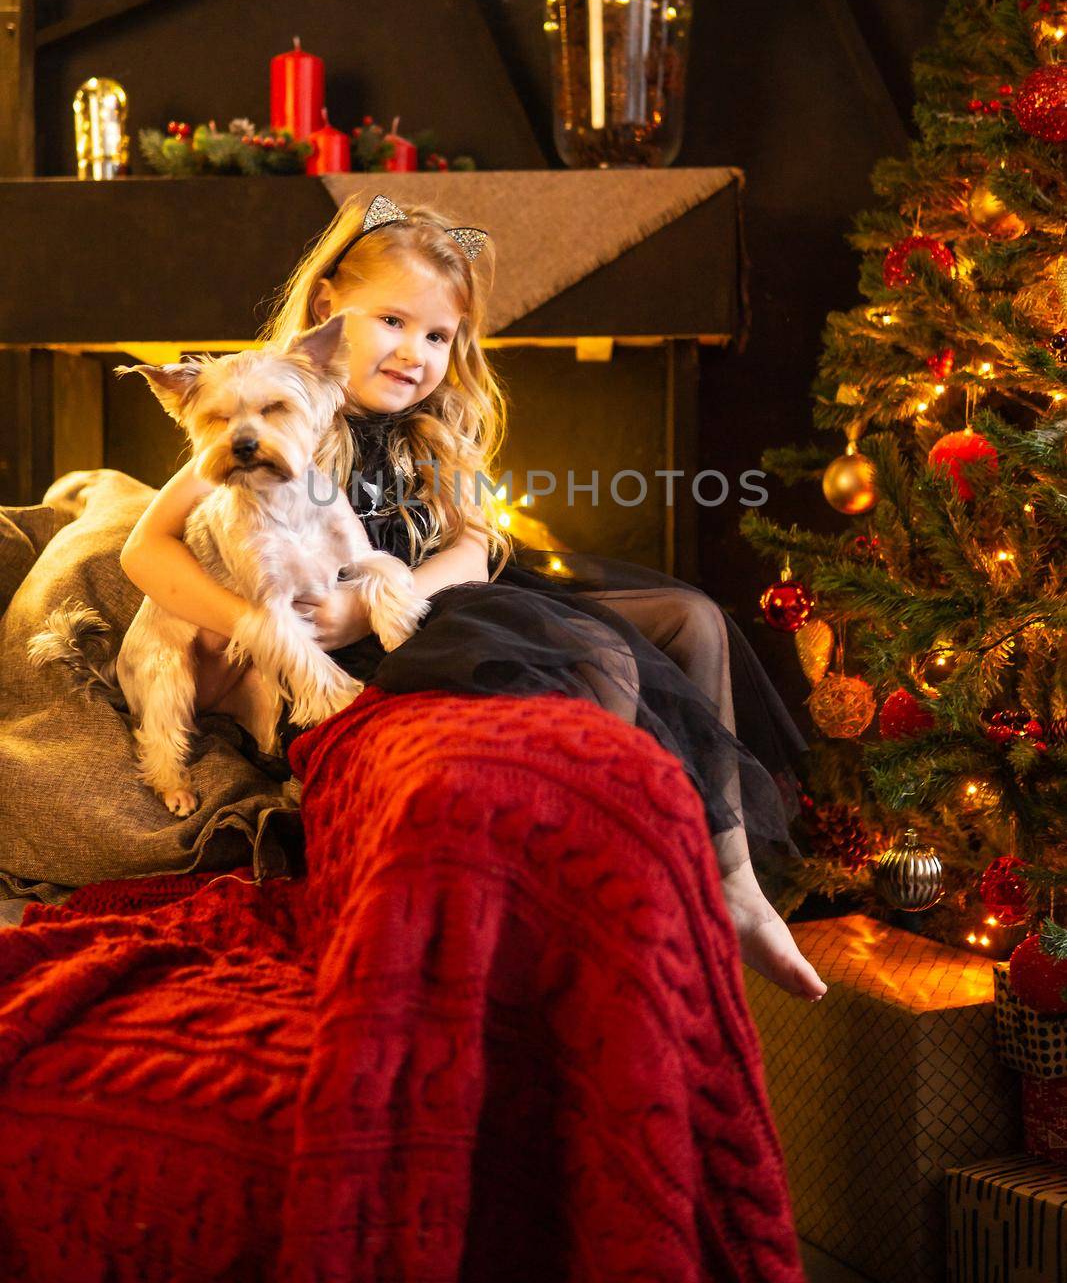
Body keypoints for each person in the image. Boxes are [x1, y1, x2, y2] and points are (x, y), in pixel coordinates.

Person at [121, 193, 827, 1003]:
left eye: (436, 335)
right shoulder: (274, 403)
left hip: (434, 599)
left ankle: (733, 882)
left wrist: (399, 593)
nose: (413, 353)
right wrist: (270, 622)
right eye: (391, 321)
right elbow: (147, 546)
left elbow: (472, 543)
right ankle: (608, 887)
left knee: (693, 616)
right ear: (326, 311)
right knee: (597, 657)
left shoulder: (435, 425)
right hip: (374, 641)